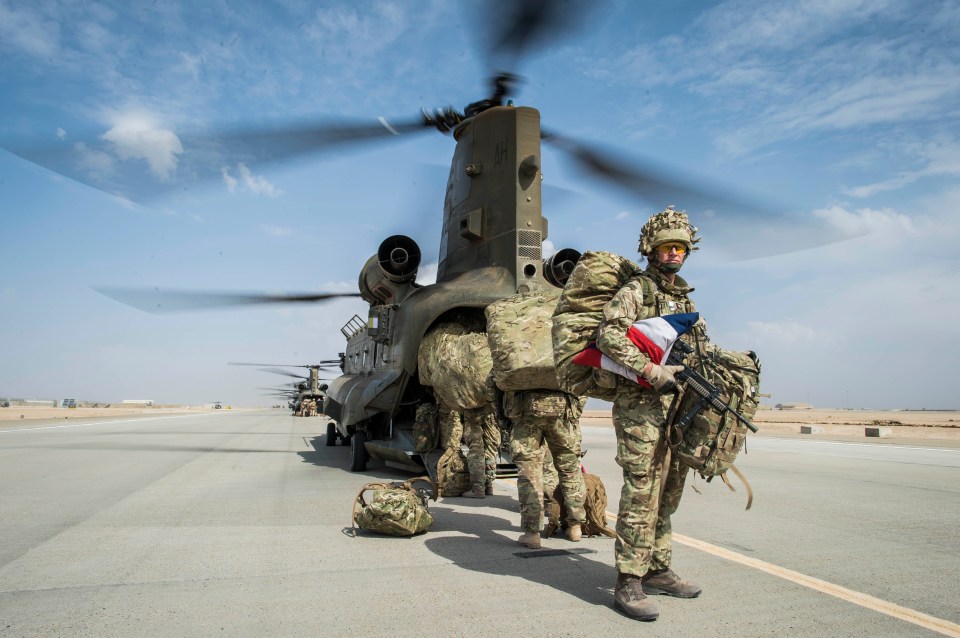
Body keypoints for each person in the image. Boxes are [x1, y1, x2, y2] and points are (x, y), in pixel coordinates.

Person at [596, 206, 706, 622]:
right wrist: (648, 369)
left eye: (680, 247)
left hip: (677, 407)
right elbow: (608, 334)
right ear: (651, 250)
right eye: (666, 247)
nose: (674, 254)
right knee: (642, 488)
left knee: (670, 488)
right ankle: (628, 578)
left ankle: (658, 568)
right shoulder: (638, 290)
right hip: (640, 407)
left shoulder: (685, 298)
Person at [508, 389, 586, 548]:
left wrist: (506, 414)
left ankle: (532, 533)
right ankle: (575, 526)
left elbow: (496, 382)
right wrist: (575, 410)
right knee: (570, 469)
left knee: (529, 472)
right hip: (562, 412)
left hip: (526, 413)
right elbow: (582, 381)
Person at [459, 400, 502, 498]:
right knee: (490, 450)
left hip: (472, 412)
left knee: (476, 450)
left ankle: (477, 488)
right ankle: (488, 485)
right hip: (490, 411)